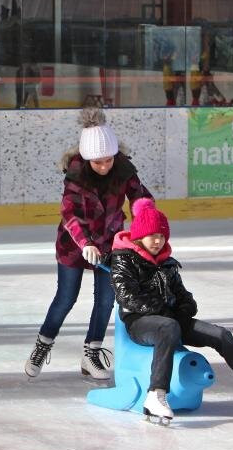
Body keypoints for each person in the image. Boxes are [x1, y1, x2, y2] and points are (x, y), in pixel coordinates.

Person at [108, 198, 233, 422]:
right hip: (140, 323)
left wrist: (185, 305)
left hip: (170, 319)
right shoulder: (123, 259)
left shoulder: (167, 263)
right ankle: (156, 394)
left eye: (162, 236)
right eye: (153, 235)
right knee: (168, 325)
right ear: (139, 235)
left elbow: (183, 296)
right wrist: (165, 308)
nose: (158, 241)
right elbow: (128, 297)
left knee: (222, 335)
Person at [24, 109, 151, 381]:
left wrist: (146, 219)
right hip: (73, 246)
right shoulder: (76, 176)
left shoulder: (124, 169)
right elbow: (69, 215)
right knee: (66, 298)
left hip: (110, 243)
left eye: (108, 160)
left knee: (105, 300)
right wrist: (84, 244)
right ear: (86, 158)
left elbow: (141, 198)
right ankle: (42, 345)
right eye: (98, 162)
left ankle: (91, 354)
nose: (104, 166)